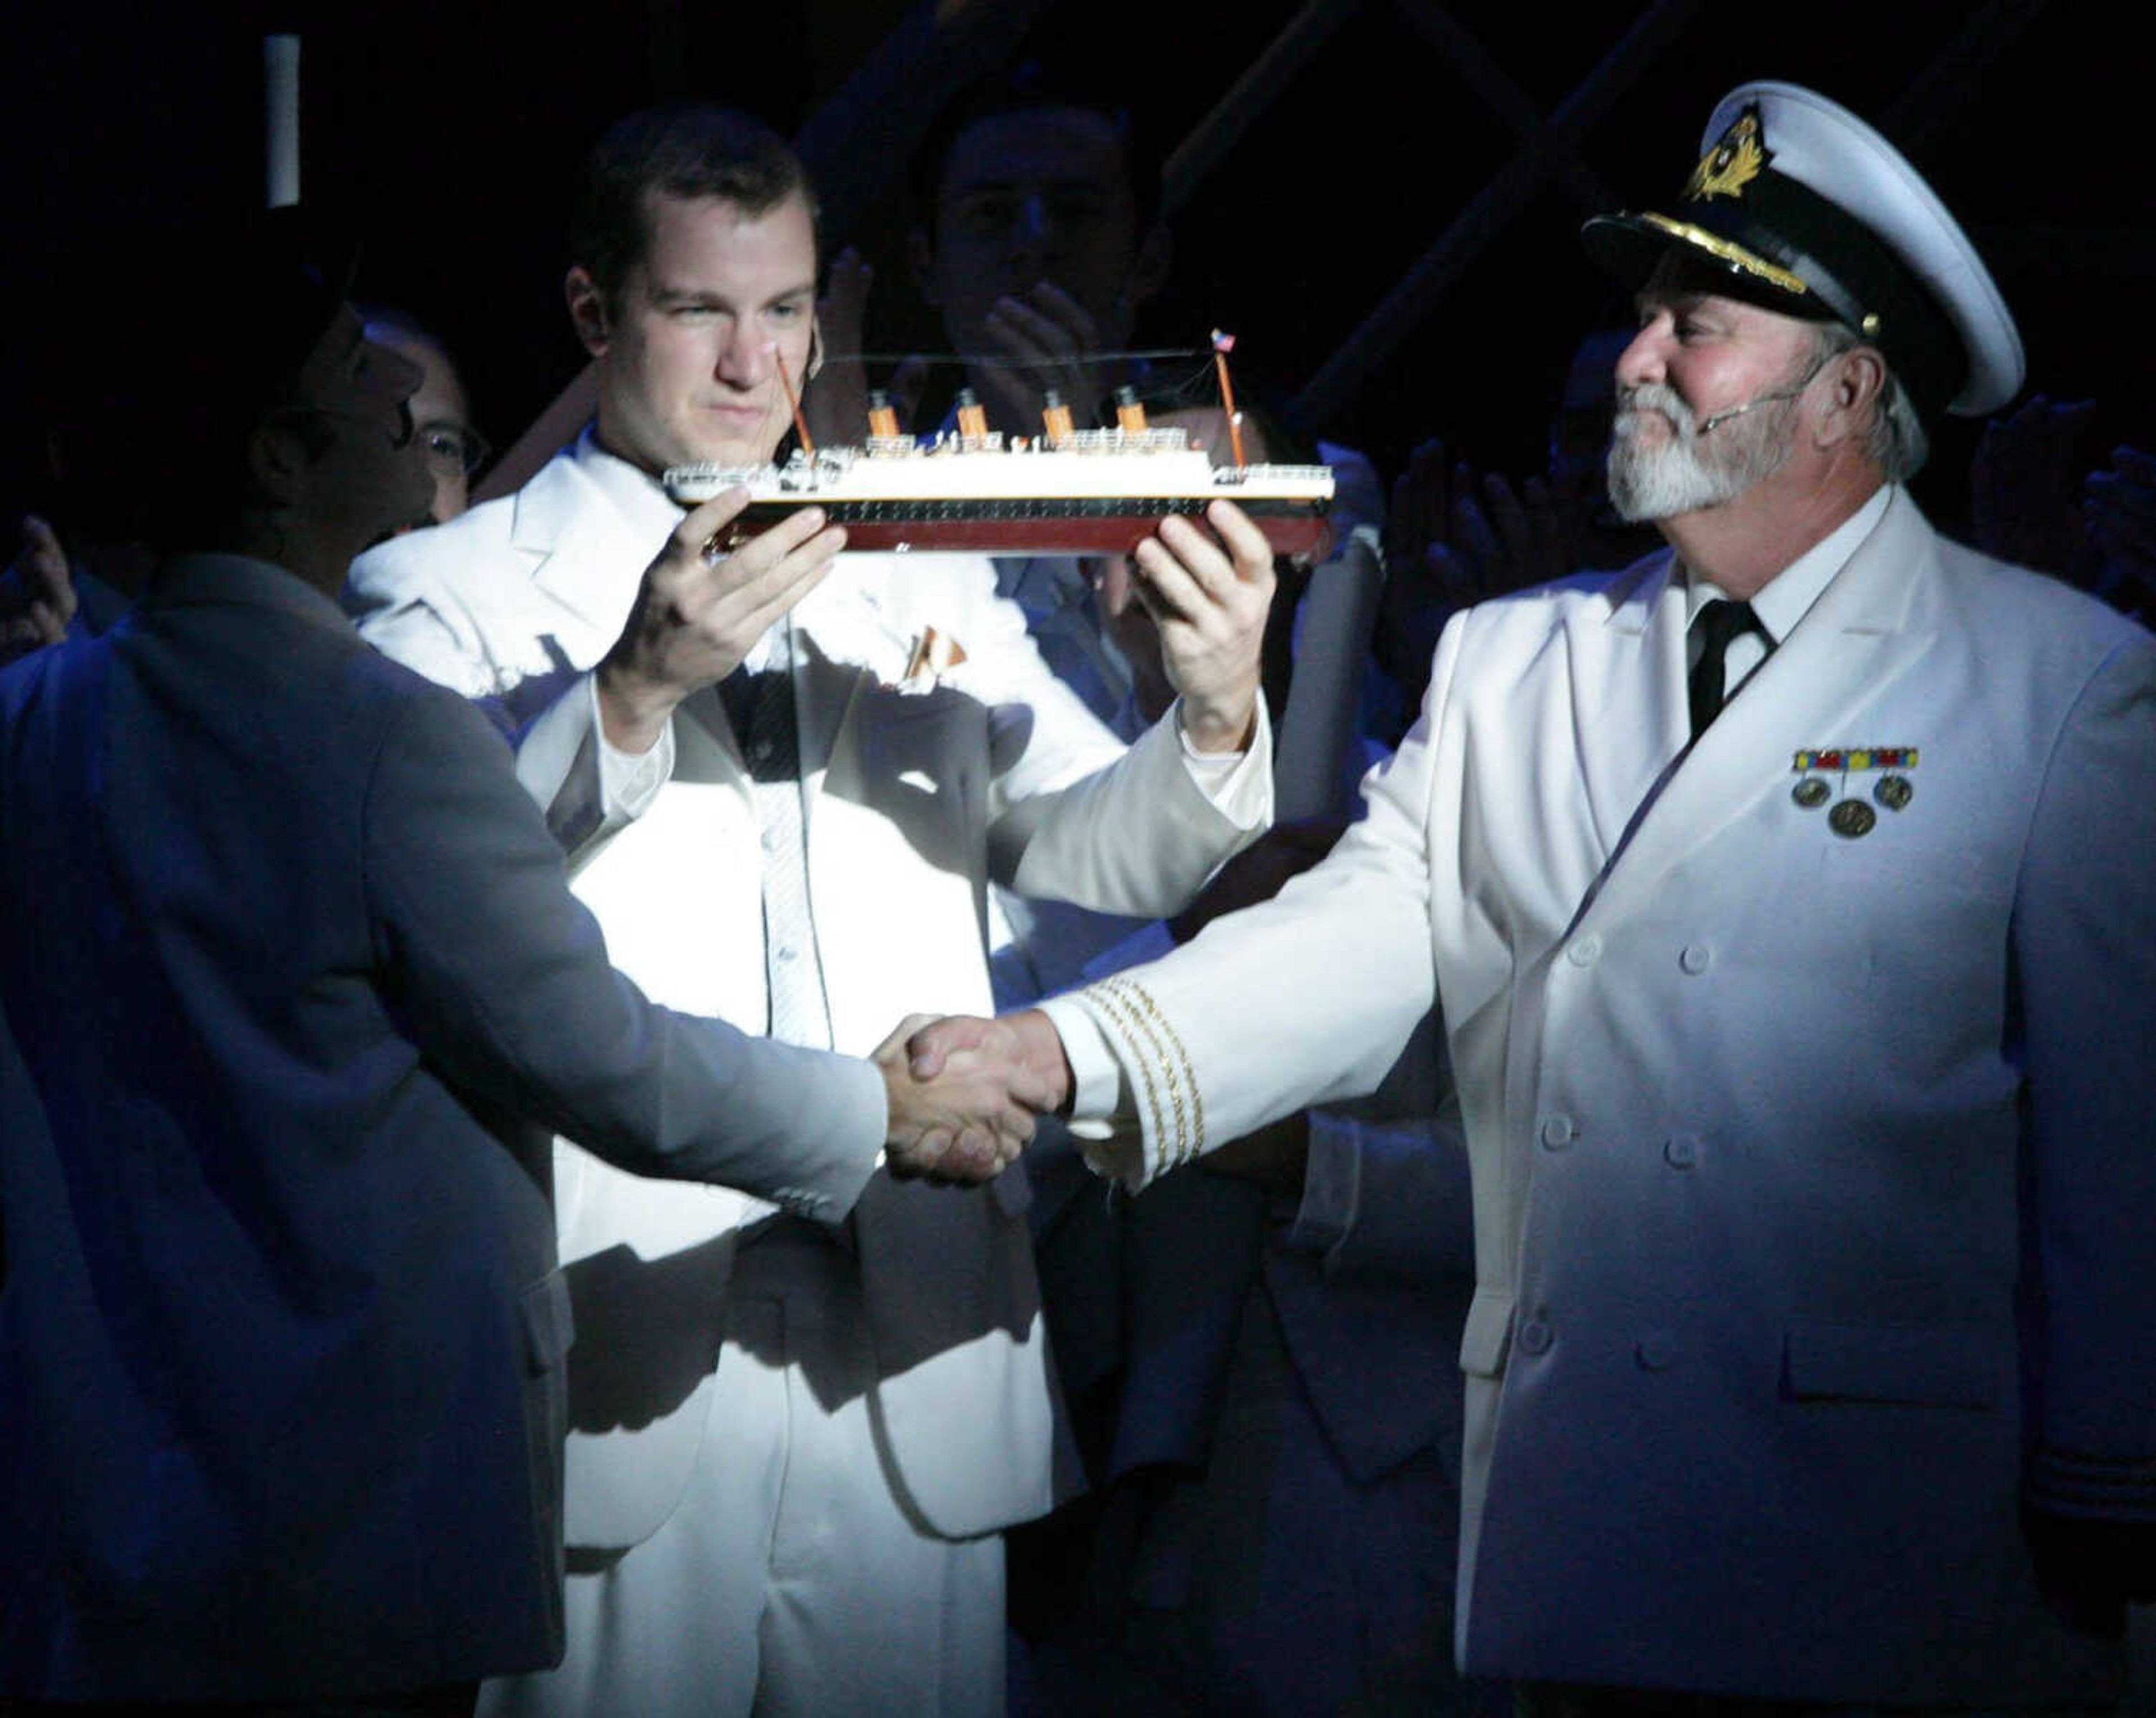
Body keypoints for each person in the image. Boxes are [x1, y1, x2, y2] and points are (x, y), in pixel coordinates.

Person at [917, 81, 2156, 1708]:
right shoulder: (1520, 660)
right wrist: (1060, 1056)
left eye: (1695, 325)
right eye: (1645, 315)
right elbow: (1346, 946)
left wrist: (2112, 1502)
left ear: (1848, 388)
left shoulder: (2054, 686)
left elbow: (2115, 1163)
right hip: (1581, 1537)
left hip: (1887, 1556)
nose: (1638, 357)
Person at [0, 212, 1042, 1712]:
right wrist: (877, 1110)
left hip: (98, 1495)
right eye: (356, 373)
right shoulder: (379, 732)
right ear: (278, 461)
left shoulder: (34, 718)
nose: (400, 402)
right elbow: (600, 1052)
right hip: (338, 1501)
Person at [344, 103, 1274, 1715]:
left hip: (918, 1336)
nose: (749, 367)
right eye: (699, 309)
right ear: (593, 314)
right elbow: (417, 922)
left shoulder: (918, 563)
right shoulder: (451, 589)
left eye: (784, 314)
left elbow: (1089, 849)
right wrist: (628, 692)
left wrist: (1209, 719)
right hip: (615, 1331)